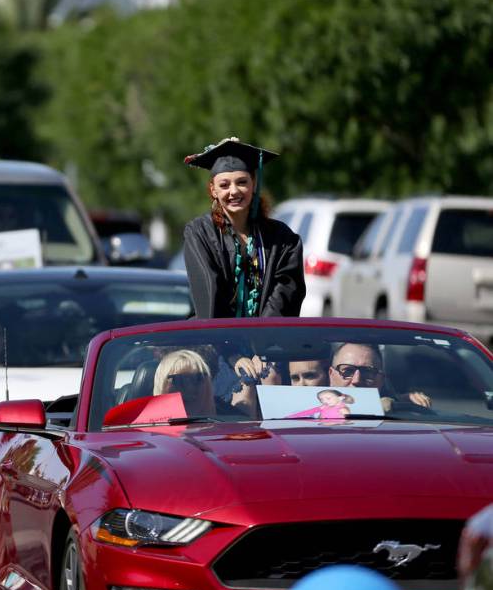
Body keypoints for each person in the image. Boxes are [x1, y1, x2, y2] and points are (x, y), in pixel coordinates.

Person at [182, 138, 306, 318]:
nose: (233, 191)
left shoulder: (283, 240)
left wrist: (258, 341)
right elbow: (209, 295)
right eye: (224, 185)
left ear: (254, 183)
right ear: (213, 190)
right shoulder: (199, 234)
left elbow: (285, 298)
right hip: (215, 340)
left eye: (241, 182)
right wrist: (227, 342)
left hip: (266, 342)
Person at [329, 343, 431, 410]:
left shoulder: (399, 417)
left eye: (368, 372)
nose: (357, 380)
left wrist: (400, 405)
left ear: (381, 380)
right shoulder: (313, 416)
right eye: (347, 371)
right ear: (331, 374)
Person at [153, 349, 216, 416]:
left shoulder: (226, 419)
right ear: (162, 385)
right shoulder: (143, 423)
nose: (189, 387)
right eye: (179, 379)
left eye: (198, 378)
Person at [287, 389, 355, 419]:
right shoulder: (323, 407)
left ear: (341, 398)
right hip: (323, 430)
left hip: (336, 431)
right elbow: (307, 412)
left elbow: (347, 423)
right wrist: (290, 417)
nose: (324, 401)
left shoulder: (343, 409)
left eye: (328, 398)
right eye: (321, 399)